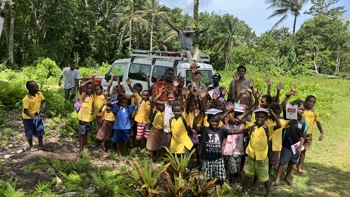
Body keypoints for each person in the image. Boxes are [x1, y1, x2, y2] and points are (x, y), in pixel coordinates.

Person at [192, 106, 245, 186]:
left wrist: (247, 130)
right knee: (207, 177)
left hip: (218, 159)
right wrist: (195, 117)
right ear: (208, 121)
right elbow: (195, 127)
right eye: (213, 121)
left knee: (221, 177)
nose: (215, 123)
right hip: (207, 159)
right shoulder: (204, 129)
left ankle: (218, 189)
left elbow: (234, 131)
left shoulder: (222, 130)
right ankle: (209, 189)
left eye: (217, 122)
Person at [241, 108, 281, 197]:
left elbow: (279, 125)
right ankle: (244, 190)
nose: (259, 119)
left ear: (266, 118)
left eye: (262, 117)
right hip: (251, 156)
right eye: (257, 117)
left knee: (265, 176)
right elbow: (240, 118)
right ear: (255, 117)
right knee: (248, 174)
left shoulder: (268, 129)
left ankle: (268, 193)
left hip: (262, 158)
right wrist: (249, 111)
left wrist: (273, 114)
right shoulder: (251, 126)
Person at [274, 99, 308, 188]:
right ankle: (277, 179)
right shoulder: (289, 116)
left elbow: (303, 136)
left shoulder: (304, 122)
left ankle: (287, 177)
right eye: (299, 109)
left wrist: (300, 147)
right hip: (286, 144)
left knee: (292, 162)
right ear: (295, 108)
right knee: (282, 162)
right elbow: (284, 106)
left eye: (303, 110)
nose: (301, 111)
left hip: (296, 147)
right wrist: (288, 97)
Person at [297, 95, 324, 174]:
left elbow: (318, 122)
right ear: (305, 101)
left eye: (313, 102)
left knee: (303, 151)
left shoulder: (314, 113)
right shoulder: (302, 110)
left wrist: (321, 132)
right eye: (309, 101)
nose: (311, 103)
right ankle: (294, 163)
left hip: (308, 135)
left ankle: (299, 167)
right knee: (296, 149)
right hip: (299, 133)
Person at [22, 81, 46, 150]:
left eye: (37, 86)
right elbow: (25, 110)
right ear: (31, 89)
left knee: (40, 129)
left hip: (37, 115)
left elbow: (44, 101)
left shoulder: (39, 94)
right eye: (36, 87)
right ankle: (31, 147)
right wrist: (34, 117)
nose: (38, 88)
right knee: (29, 131)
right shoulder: (26, 99)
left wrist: (43, 109)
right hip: (28, 118)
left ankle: (41, 145)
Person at [77, 80, 94, 153]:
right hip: (82, 119)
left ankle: (84, 148)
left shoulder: (92, 96)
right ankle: (81, 150)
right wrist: (88, 81)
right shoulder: (82, 95)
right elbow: (80, 86)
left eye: (91, 88)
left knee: (86, 134)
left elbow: (92, 105)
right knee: (82, 135)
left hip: (89, 119)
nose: (89, 90)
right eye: (88, 88)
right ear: (85, 89)